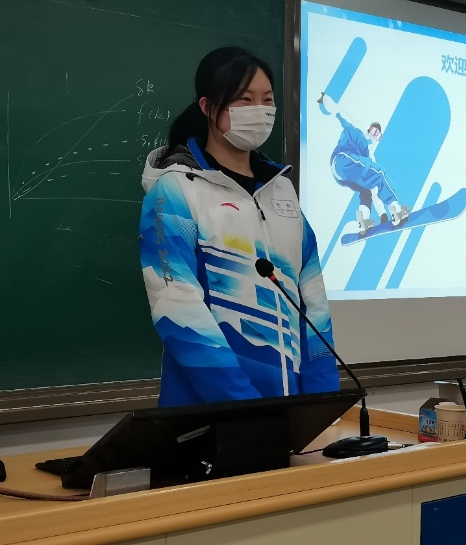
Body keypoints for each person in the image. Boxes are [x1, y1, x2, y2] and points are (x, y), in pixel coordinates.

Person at [139, 47, 340, 407]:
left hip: (290, 410)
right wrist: (245, 407)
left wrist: (322, 402)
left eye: (267, 100)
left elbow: (313, 301)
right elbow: (177, 308)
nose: (259, 110)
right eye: (244, 99)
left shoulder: (282, 190)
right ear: (208, 107)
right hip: (212, 413)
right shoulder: (176, 190)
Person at [318, 92, 409, 235]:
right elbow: (341, 113)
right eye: (373, 130)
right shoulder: (359, 130)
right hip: (342, 159)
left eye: (377, 134)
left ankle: (364, 221)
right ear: (369, 129)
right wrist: (325, 99)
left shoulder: (370, 157)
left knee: (367, 188)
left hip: (342, 174)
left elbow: (375, 189)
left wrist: (382, 214)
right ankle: (397, 210)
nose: (374, 135)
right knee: (380, 173)